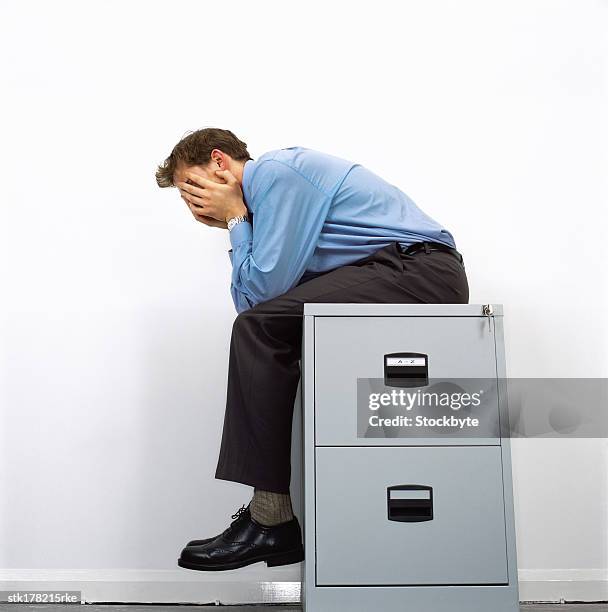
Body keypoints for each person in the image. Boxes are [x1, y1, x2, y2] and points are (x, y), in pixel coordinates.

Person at [155, 128, 469, 571]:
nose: (193, 204)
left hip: (420, 270)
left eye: (194, 186)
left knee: (259, 328)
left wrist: (236, 220)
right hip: (389, 271)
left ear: (220, 162)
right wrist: (240, 223)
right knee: (264, 329)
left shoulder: (276, 174)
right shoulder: (259, 211)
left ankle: (271, 518)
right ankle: (280, 514)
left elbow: (260, 299)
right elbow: (253, 301)